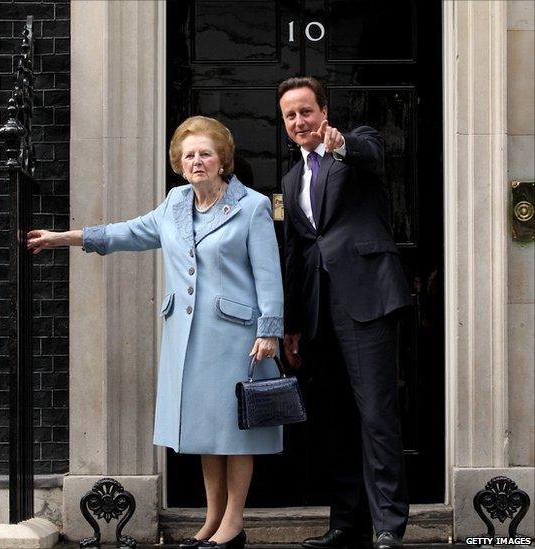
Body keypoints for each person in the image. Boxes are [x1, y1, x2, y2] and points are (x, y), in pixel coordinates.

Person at [27, 116, 284, 549]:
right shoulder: (175, 204)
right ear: (179, 165)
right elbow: (125, 232)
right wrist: (64, 238)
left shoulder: (252, 206)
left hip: (239, 339)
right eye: (189, 156)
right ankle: (211, 520)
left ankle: (234, 523)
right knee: (207, 432)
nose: (197, 161)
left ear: (223, 160)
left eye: (205, 153)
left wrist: (270, 330)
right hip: (188, 339)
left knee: (238, 433)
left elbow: (269, 275)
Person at [278, 77, 411, 549]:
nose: (299, 122)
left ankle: (389, 526)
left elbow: (372, 154)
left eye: (306, 112)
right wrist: (291, 324)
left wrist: (342, 144)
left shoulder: (357, 144)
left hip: (367, 302)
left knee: (376, 416)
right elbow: (295, 254)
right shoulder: (292, 180)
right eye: (290, 116)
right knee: (334, 419)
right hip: (318, 315)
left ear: (324, 111)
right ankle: (346, 523)